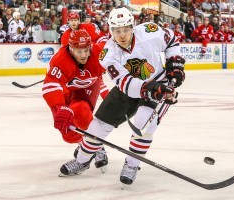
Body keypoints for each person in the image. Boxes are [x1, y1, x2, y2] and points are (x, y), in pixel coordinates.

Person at [58, 7, 185, 185]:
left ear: (133, 27)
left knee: (142, 126)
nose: (122, 35)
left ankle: (132, 165)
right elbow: (126, 84)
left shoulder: (150, 31)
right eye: (117, 31)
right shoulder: (107, 54)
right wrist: (152, 88)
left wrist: (176, 64)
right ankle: (82, 161)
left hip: (159, 83)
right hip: (131, 88)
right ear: (110, 30)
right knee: (97, 126)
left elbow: (171, 39)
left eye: (126, 29)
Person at [42, 29, 109, 172]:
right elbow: (50, 85)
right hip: (67, 91)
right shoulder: (61, 59)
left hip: (88, 87)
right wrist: (59, 107)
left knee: (80, 111)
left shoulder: (100, 53)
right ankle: (86, 145)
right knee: (68, 132)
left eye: (86, 50)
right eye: (79, 52)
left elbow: (118, 57)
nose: (84, 55)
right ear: (71, 49)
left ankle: (94, 147)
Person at [61, 11, 110, 99]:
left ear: (79, 20)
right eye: (71, 20)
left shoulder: (88, 27)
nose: (74, 22)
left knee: (99, 83)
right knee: (71, 87)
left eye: (75, 20)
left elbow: (101, 38)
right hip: (78, 65)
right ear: (68, 21)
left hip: (91, 61)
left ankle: (109, 102)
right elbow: (66, 54)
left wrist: (100, 54)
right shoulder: (65, 35)